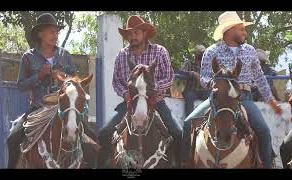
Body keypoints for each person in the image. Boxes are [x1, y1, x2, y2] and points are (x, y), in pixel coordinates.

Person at [180, 11, 282, 168]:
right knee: (188, 124)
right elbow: (204, 77)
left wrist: (271, 100)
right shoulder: (211, 51)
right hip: (217, 99)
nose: (244, 32)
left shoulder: (250, 51)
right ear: (229, 30)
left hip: (244, 98)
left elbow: (260, 78)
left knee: (263, 131)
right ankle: (187, 161)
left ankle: (267, 165)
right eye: (241, 29)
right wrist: (214, 85)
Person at [97, 15, 182, 167]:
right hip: (130, 102)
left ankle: (178, 163)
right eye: (130, 33)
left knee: (177, 132)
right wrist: (125, 93)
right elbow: (116, 81)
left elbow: (169, 77)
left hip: (156, 102)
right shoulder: (122, 55)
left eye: (136, 32)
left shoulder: (159, 51)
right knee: (104, 133)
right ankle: (106, 163)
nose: (133, 36)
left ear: (145, 33)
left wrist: (153, 90)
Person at [6, 13, 77, 168]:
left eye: (57, 32)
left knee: (90, 137)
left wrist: (63, 77)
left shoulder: (65, 55)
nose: (55, 35)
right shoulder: (28, 57)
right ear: (40, 33)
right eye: (51, 31)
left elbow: (75, 82)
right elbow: (21, 86)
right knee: (12, 139)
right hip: (37, 110)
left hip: (63, 110)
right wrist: (39, 75)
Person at [180, 45, 209, 119]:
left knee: (214, 99)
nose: (202, 55)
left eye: (203, 53)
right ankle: (188, 122)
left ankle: (209, 120)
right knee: (189, 100)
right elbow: (180, 72)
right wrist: (191, 73)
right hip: (191, 90)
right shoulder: (189, 63)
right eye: (200, 54)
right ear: (196, 54)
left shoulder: (207, 65)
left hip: (205, 91)